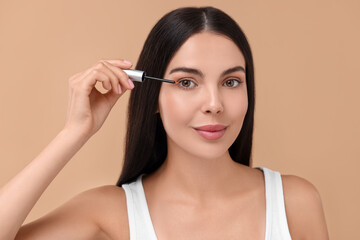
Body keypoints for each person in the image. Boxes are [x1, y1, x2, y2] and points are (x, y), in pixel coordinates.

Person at [0, 6, 329, 240]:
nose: (214, 104)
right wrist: (73, 133)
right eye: (187, 82)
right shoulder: (111, 213)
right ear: (153, 97)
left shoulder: (294, 202)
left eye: (231, 82)